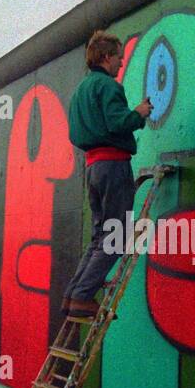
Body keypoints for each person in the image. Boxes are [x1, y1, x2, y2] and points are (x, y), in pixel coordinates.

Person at [62, 31, 153, 318]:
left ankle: (73, 296)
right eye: (118, 58)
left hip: (93, 168)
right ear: (105, 57)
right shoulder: (108, 87)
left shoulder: (80, 91)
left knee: (100, 234)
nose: (121, 64)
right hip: (113, 166)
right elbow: (117, 122)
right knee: (117, 235)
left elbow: (77, 133)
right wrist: (139, 112)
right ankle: (83, 296)